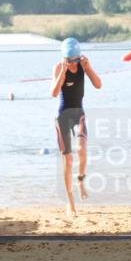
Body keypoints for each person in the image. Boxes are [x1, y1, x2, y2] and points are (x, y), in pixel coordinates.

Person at [51, 37, 102, 217]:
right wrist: (62, 73)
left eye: (75, 60)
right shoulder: (59, 68)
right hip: (63, 116)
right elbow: (54, 92)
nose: (73, 64)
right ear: (64, 58)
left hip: (78, 113)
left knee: (81, 148)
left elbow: (98, 85)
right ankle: (70, 203)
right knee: (68, 160)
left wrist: (88, 68)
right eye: (69, 60)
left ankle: (80, 180)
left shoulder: (82, 66)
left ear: (79, 57)